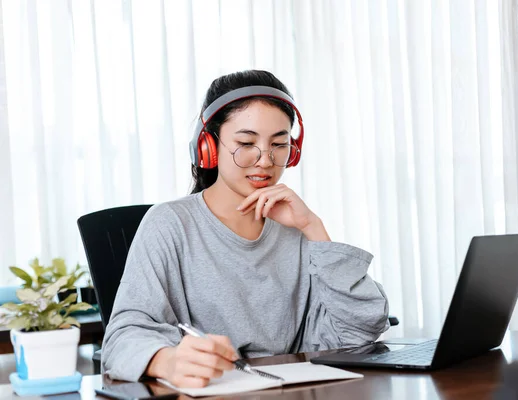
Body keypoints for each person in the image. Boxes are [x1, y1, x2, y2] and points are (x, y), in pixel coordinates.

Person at [101, 70, 390, 388]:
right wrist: (164, 360)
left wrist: (314, 228)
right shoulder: (169, 225)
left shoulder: (296, 229)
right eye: (246, 143)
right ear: (208, 146)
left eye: (279, 144)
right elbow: (121, 340)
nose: (265, 160)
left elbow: (361, 329)